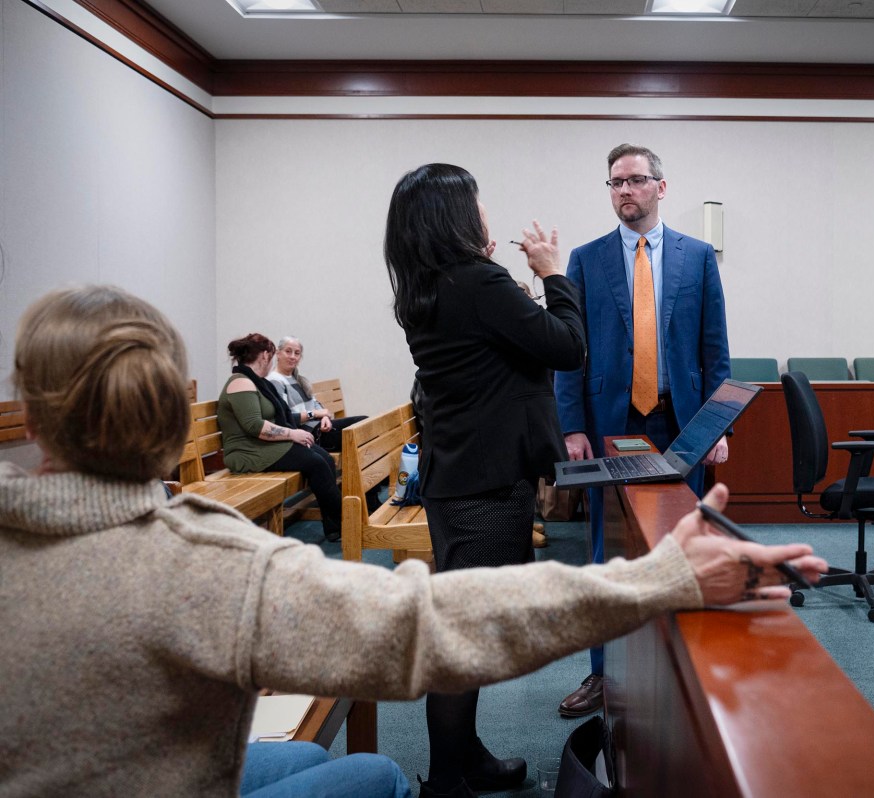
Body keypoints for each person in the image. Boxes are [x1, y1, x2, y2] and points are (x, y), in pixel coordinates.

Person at [0, 284, 826, 797]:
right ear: (177, 418)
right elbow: (433, 624)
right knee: (379, 776)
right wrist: (663, 577)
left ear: (28, 421)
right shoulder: (203, 569)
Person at [383, 163, 581, 797]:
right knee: (465, 641)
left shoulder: (426, 285)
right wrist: (552, 274)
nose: (485, 213)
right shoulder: (476, 281)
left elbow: (502, 354)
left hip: (456, 477)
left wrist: (506, 286)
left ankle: (467, 758)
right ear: (455, 218)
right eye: (476, 203)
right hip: (485, 486)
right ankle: (446, 782)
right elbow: (566, 346)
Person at [554, 143, 732, 718]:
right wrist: (571, 426)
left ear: (661, 186)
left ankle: (683, 672)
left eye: (634, 181)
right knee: (610, 556)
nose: (623, 191)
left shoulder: (698, 257)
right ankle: (604, 674)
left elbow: (714, 353)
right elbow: (570, 353)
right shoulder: (586, 258)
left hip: (680, 426)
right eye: (614, 183)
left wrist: (716, 426)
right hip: (612, 425)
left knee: (684, 547)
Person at [220, 333, 342, 543]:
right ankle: (346, 521)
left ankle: (333, 528)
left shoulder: (255, 381)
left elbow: (272, 419)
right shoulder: (240, 382)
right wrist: (292, 434)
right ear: (266, 355)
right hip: (247, 451)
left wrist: (295, 432)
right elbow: (254, 426)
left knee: (325, 458)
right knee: (316, 463)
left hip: (261, 445)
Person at [268, 335, 366, 452]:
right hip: (309, 435)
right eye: (288, 351)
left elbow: (314, 403)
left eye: (297, 353)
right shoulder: (275, 381)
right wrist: (315, 414)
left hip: (321, 427)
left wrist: (324, 417)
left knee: (365, 422)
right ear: (278, 353)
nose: (293, 357)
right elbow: (285, 417)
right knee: (362, 429)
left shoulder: (297, 379)